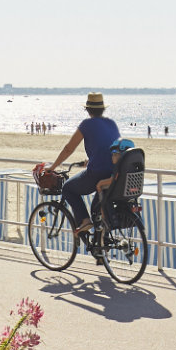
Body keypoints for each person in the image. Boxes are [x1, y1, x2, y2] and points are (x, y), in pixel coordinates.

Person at [42, 93, 119, 251]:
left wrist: (52, 167)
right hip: (113, 174)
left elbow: (69, 148)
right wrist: (91, 159)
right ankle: (100, 250)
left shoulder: (86, 124)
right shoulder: (111, 123)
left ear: (88, 109)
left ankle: (84, 221)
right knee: (98, 209)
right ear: (102, 109)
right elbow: (112, 148)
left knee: (68, 189)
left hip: (96, 173)